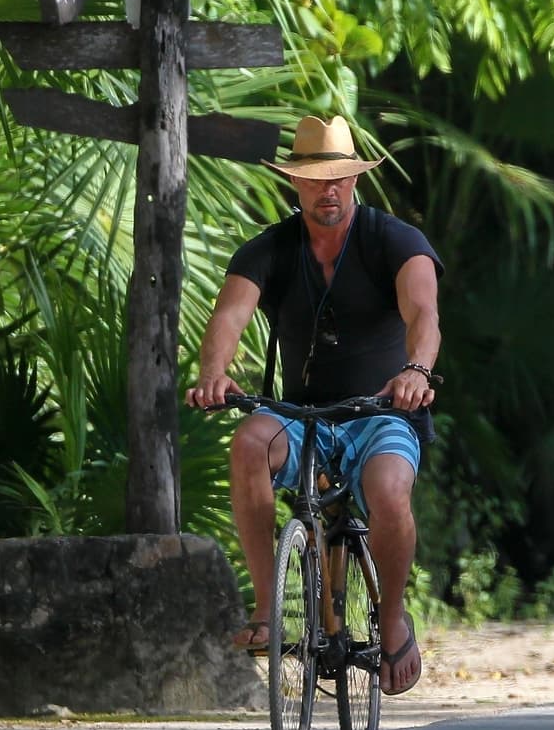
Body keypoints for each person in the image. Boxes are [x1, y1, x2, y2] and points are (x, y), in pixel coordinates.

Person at [186, 114, 442, 696]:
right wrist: (213, 374)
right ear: (295, 183)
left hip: (381, 412)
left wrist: (415, 370)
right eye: (317, 178)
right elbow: (230, 315)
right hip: (300, 415)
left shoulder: (395, 240)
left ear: (355, 181)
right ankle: (266, 606)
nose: (330, 190)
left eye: (341, 178)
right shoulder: (271, 248)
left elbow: (423, 313)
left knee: (388, 492)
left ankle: (394, 616)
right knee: (249, 441)